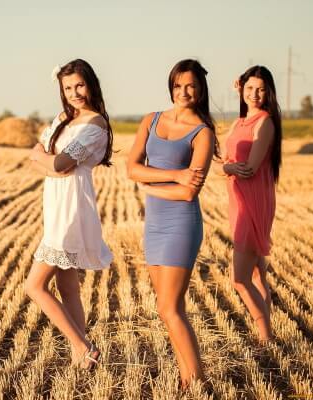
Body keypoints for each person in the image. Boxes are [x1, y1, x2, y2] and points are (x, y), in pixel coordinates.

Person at [126, 59, 218, 388]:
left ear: (201, 89)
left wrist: (151, 186)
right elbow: (132, 168)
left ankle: (199, 383)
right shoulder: (151, 120)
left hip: (181, 224)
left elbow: (189, 192)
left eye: (191, 85)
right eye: (178, 85)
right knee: (171, 307)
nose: (184, 92)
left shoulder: (203, 133)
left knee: (168, 308)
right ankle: (186, 379)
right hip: (154, 225)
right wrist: (175, 174)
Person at [26, 59, 114, 370]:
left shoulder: (95, 124)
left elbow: (60, 162)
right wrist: (49, 163)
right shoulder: (63, 118)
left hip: (72, 204)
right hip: (55, 202)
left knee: (34, 286)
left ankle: (83, 346)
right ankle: (83, 357)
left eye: (79, 85)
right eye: (67, 88)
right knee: (67, 287)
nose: (74, 93)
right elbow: (38, 155)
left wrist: (48, 162)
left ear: (91, 84)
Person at [213, 65, 282, 343]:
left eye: (261, 90)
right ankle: (268, 336)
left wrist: (227, 168)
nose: (254, 94)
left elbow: (248, 168)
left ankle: (266, 338)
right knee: (256, 276)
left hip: (252, 203)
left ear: (269, 93)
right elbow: (224, 160)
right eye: (250, 88)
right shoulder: (239, 122)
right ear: (242, 89)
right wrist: (227, 166)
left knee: (239, 279)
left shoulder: (265, 123)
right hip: (238, 200)